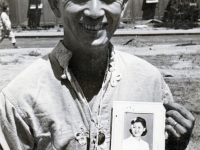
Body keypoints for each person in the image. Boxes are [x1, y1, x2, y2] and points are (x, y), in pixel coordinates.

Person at [0, 0, 195, 150]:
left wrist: (174, 145)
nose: (94, 11)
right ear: (55, 4)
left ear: (124, 5)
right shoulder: (20, 98)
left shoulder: (149, 82)